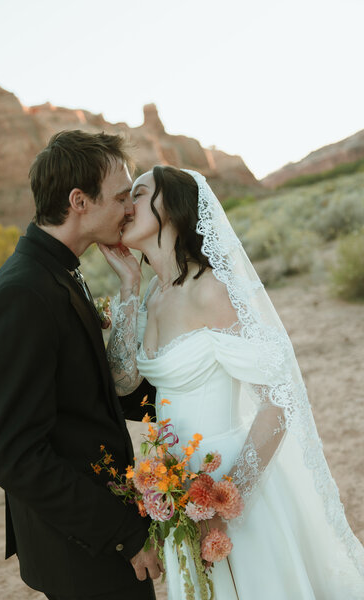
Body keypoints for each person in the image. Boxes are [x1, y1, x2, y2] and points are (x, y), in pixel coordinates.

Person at [100, 165, 364, 599]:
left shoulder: (213, 289)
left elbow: (278, 403)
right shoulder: (152, 295)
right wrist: (129, 284)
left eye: (140, 192)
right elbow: (124, 380)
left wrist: (226, 498)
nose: (127, 205)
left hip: (230, 479)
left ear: (174, 207)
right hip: (176, 484)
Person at [0, 130, 163, 600]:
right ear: (79, 200)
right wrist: (125, 532)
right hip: (83, 551)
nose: (130, 209)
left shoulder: (62, 271)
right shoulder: (21, 294)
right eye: (121, 197)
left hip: (100, 535)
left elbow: (96, 394)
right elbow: (16, 457)